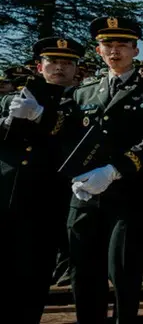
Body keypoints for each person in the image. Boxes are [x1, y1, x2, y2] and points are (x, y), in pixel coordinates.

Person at [66, 16, 143, 324]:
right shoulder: (83, 93)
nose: (115, 51)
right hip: (84, 196)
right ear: (98, 51)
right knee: (83, 273)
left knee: (123, 273)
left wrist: (114, 170)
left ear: (135, 51)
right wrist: (72, 174)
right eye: (107, 44)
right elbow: (70, 141)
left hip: (130, 195)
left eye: (122, 44)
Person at [0, 37, 84, 323]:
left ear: (76, 69)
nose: (59, 67)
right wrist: (7, 122)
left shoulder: (80, 100)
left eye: (67, 63)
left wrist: (39, 116)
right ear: (39, 66)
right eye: (53, 61)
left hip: (45, 198)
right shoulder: (13, 96)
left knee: (33, 273)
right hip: (6, 191)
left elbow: (72, 134)